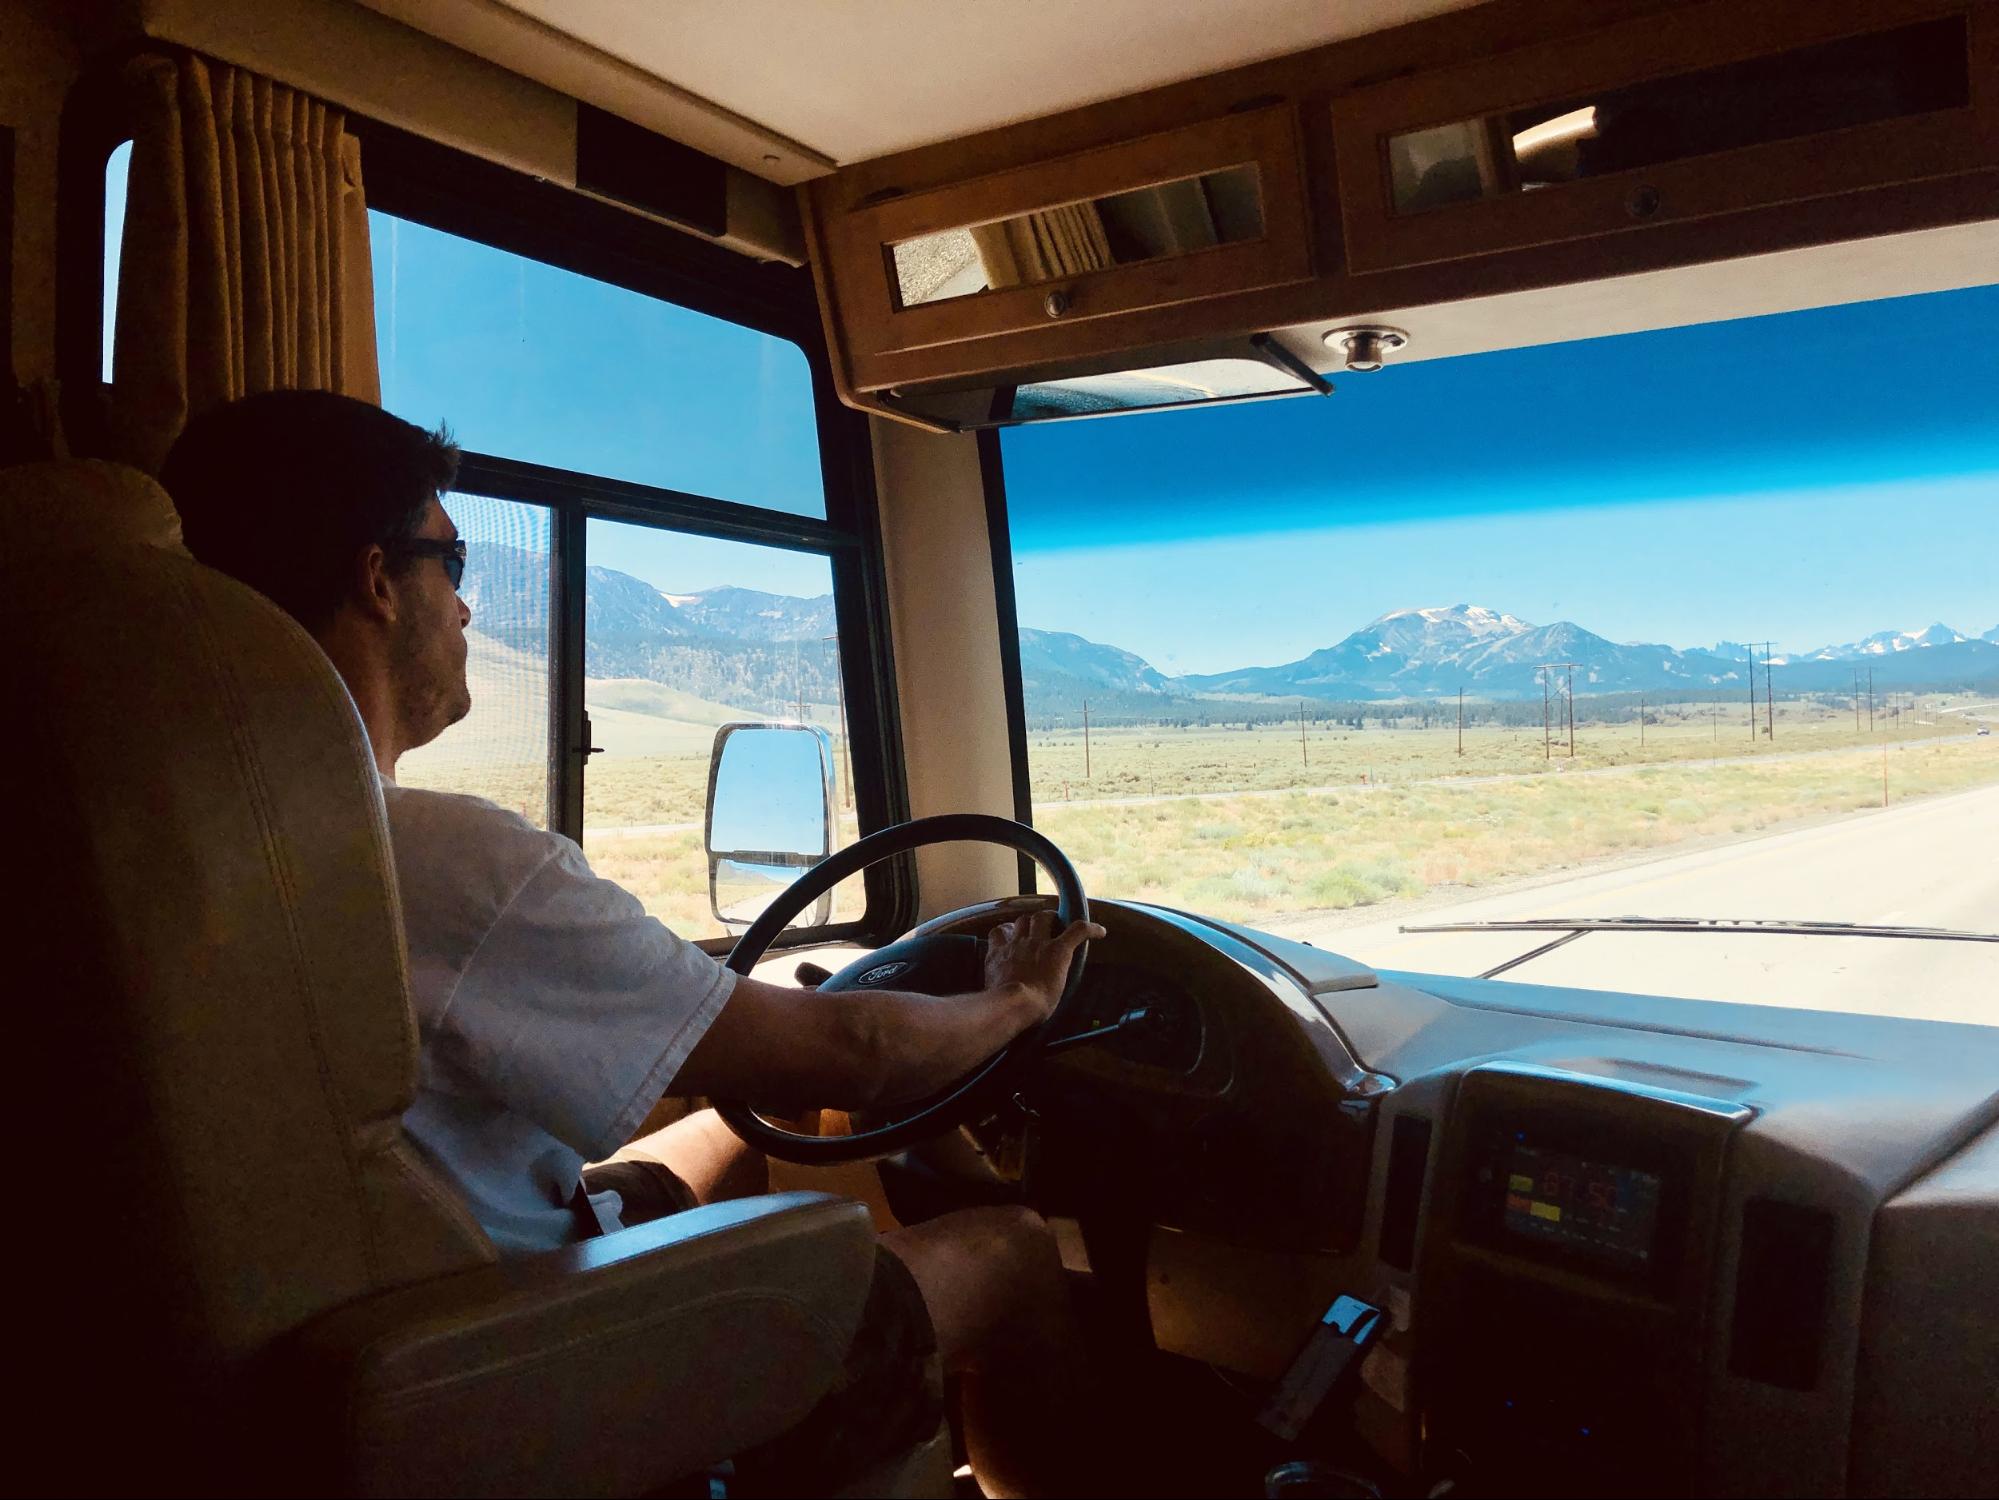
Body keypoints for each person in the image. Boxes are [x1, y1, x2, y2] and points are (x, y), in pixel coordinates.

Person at [161, 389, 1105, 1498]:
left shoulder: (197, 849)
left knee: (740, 1132)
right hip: (522, 1350)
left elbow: (772, 1057)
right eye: (452, 567)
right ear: (377, 580)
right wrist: (1015, 1008)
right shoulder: (434, 858)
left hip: (382, 1321)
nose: (466, 615)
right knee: (1012, 1252)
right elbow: (852, 1047)